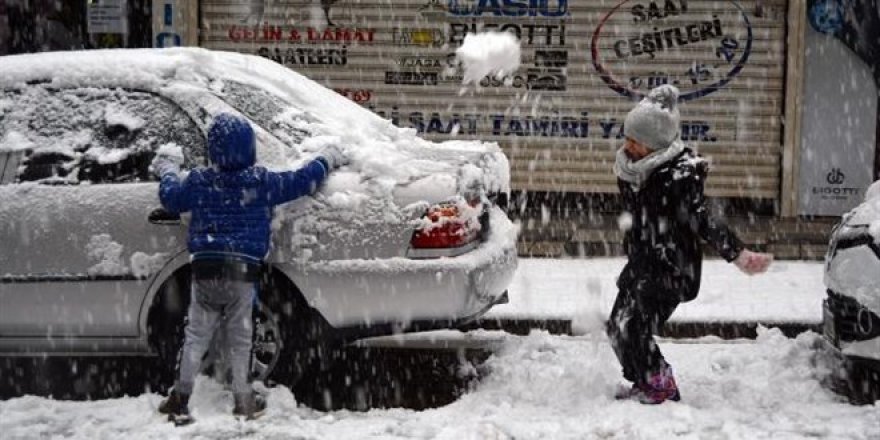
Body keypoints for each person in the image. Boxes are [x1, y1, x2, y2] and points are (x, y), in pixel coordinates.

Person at [151, 113, 347, 425]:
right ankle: (243, 400)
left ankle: (180, 395)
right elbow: (302, 181)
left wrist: (168, 169)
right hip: (242, 272)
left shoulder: (200, 181)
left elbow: (171, 198)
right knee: (241, 337)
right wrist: (327, 158)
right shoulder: (261, 182)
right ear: (250, 148)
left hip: (204, 268)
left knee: (196, 335)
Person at [607, 85, 773, 404]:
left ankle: (661, 384)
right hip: (643, 262)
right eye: (626, 138)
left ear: (656, 145)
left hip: (671, 267)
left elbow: (704, 219)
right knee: (617, 325)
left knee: (632, 327)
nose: (627, 147)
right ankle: (644, 379)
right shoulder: (633, 169)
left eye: (636, 142)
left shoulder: (679, 180)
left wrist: (737, 253)